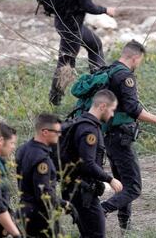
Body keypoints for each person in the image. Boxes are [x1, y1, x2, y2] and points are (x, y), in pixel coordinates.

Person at [100, 40, 156, 231]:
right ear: (135, 57)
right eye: (139, 60)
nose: (138, 64)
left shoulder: (109, 71)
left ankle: (126, 228)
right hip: (121, 138)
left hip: (108, 136)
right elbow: (133, 108)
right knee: (133, 187)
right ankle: (101, 210)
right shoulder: (125, 77)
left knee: (123, 185)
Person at [49, 0, 116, 106]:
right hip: (71, 26)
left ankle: (98, 83)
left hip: (63, 22)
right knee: (66, 65)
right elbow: (87, 5)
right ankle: (55, 100)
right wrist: (106, 10)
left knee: (95, 44)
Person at [62, 89, 123, 238]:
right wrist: (110, 179)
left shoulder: (85, 123)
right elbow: (87, 163)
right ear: (102, 106)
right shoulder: (88, 129)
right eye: (112, 110)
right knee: (96, 234)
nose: (112, 115)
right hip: (81, 192)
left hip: (78, 190)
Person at [16, 114, 75, 237]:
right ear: (45, 132)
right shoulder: (42, 159)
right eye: (57, 132)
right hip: (40, 216)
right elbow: (44, 194)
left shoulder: (22, 149)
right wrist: (64, 204)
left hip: (24, 211)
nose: (60, 134)